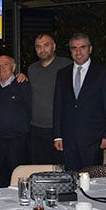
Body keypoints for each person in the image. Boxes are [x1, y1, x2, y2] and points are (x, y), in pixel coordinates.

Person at [54, 33, 106, 173]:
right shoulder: (62, 74)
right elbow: (58, 106)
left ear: (90, 49)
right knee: (71, 179)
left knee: (92, 180)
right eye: (74, 48)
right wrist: (57, 135)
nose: (78, 52)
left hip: (93, 140)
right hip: (68, 140)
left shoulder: (103, 73)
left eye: (82, 47)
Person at [0, 55, 31, 187]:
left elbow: (30, 109)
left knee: (18, 177)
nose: (1, 68)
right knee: (1, 177)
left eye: (5, 64)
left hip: (18, 141)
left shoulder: (23, 84)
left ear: (13, 67)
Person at [27, 34, 71, 164]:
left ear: (54, 46)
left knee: (61, 168)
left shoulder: (67, 65)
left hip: (60, 129)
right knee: (39, 168)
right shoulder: (32, 69)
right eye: (38, 46)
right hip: (36, 129)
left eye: (46, 45)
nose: (42, 49)